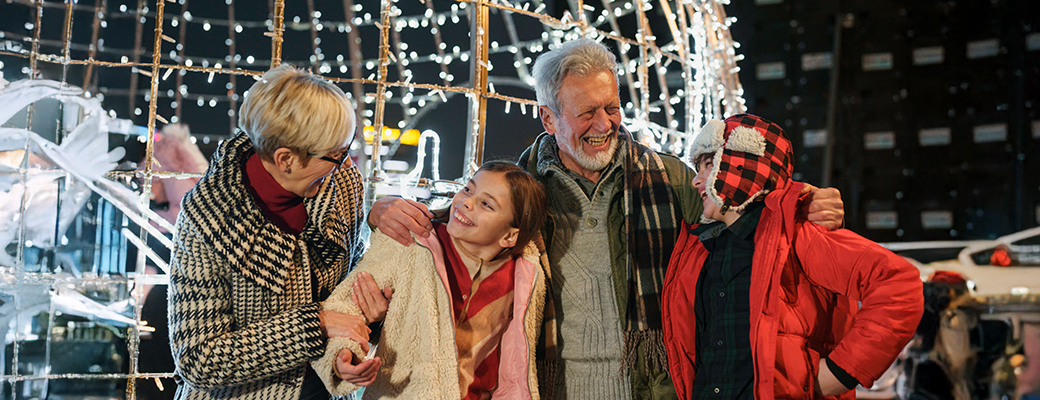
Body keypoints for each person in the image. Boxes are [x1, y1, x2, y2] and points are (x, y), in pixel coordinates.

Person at [366, 39, 845, 400]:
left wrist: (801, 204)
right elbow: (455, 230)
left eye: (612, 107)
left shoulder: (670, 178)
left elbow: (748, 220)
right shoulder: (518, 192)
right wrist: (383, 212)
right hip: (550, 387)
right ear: (549, 119)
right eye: (587, 113)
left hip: (657, 386)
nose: (605, 124)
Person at [662, 114, 924, 399]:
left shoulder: (796, 235)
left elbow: (898, 284)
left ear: (742, 163)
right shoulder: (699, 249)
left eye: (708, 165)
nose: (696, 181)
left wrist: (840, 373)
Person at [167, 64, 387, 400]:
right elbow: (197, 360)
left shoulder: (341, 182)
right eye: (335, 155)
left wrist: (346, 350)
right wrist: (316, 325)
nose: (346, 162)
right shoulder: (207, 218)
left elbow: (351, 283)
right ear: (286, 159)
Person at [312, 161, 549, 399]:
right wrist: (342, 355)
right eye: (468, 189)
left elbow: (515, 362)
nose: (467, 202)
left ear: (510, 236)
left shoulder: (525, 276)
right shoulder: (410, 240)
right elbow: (346, 304)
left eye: (486, 204)